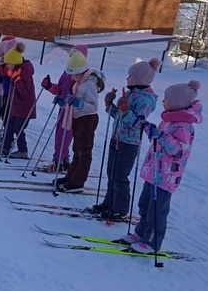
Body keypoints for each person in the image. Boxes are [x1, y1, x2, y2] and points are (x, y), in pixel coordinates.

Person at [122, 80, 203, 254]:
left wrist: (161, 136)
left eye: (166, 99)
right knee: (144, 204)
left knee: (157, 210)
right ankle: (141, 233)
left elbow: (178, 150)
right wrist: (148, 129)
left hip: (166, 176)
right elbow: (157, 140)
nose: (163, 101)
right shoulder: (168, 120)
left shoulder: (184, 126)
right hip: (154, 171)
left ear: (177, 102)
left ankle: (152, 242)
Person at [91, 57, 162, 221]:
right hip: (116, 139)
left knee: (120, 176)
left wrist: (125, 110)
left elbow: (138, 124)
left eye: (130, 76)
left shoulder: (145, 100)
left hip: (128, 144)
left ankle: (120, 208)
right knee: (111, 174)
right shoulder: (130, 94)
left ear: (138, 79)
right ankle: (109, 203)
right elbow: (119, 116)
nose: (127, 79)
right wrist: (110, 105)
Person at [55, 51, 105, 193]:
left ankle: (78, 182)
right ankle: (71, 176)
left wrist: (78, 103)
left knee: (84, 152)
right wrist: (64, 102)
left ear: (79, 72)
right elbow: (73, 100)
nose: (71, 78)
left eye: (72, 75)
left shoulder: (89, 84)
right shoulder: (79, 82)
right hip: (78, 118)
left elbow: (93, 106)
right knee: (76, 149)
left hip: (87, 120)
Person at [41, 44, 89, 172]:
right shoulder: (67, 72)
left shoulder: (81, 75)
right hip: (62, 109)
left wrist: (66, 101)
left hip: (71, 111)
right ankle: (63, 158)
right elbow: (60, 89)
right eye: (71, 55)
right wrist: (49, 86)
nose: (71, 58)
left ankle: (59, 160)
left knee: (65, 135)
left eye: (75, 56)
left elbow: (77, 94)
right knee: (59, 134)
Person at [0, 46, 37, 158]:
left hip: (25, 106)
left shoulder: (25, 72)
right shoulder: (15, 70)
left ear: (15, 62)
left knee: (18, 128)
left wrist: (17, 79)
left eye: (9, 63)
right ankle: (5, 147)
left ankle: (23, 150)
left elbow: (24, 91)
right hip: (16, 105)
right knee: (10, 126)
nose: (7, 66)